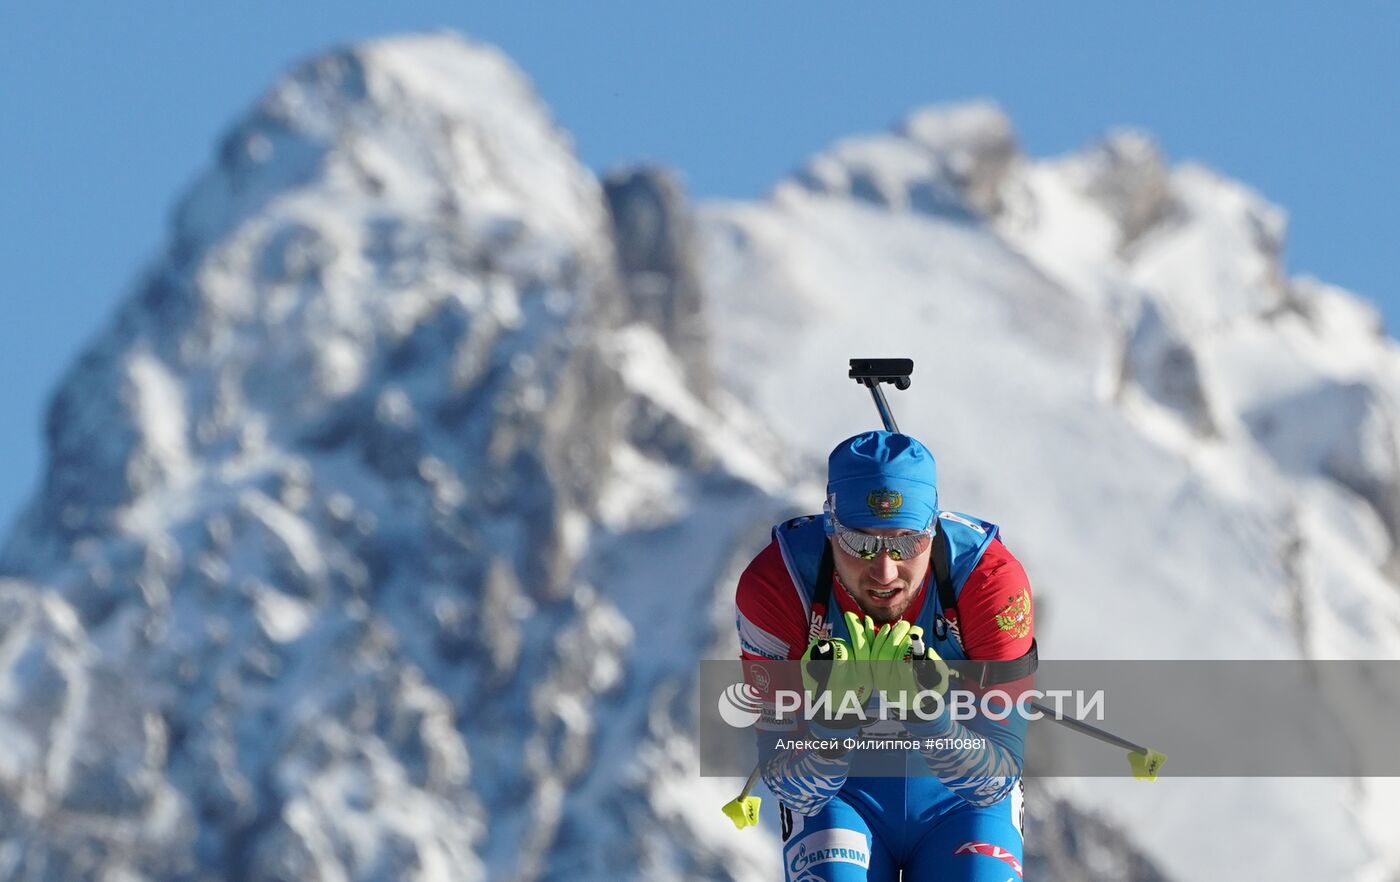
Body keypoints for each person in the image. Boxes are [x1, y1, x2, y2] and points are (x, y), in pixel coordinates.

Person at [735, 431, 1036, 881]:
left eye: (907, 543)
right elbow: (791, 787)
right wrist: (834, 723)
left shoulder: (989, 585)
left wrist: (927, 716)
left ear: (932, 529)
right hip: (841, 800)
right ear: (830, 528)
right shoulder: (780, 584)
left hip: (961, 805)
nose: (885, 570)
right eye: (860, 544)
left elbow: (994, 779)